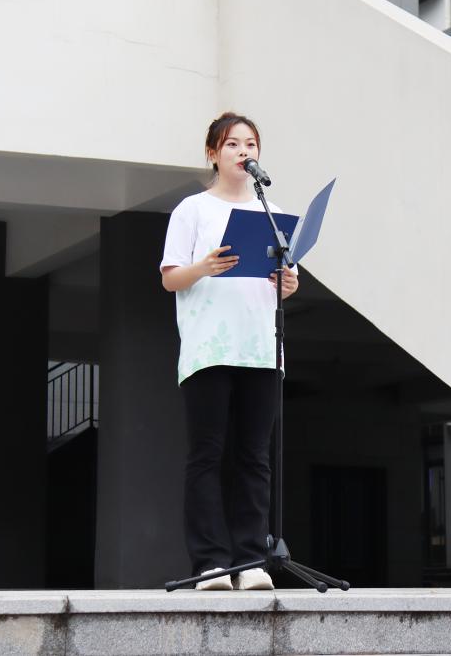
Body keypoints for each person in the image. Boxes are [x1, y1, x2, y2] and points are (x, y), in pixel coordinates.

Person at [160, 112, 298, 590]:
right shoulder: (192, 210)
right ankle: (210, 563)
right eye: (233, 143)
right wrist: (204, 267)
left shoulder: (272, 214)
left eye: (251, 143)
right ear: (213, 153)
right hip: (209, 349)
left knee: (254, 458)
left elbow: (283, 281)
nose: (244, 151)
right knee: (207, 455)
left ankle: (251, 560)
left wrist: (289, 283)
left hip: (261, 349)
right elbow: (170, 278)